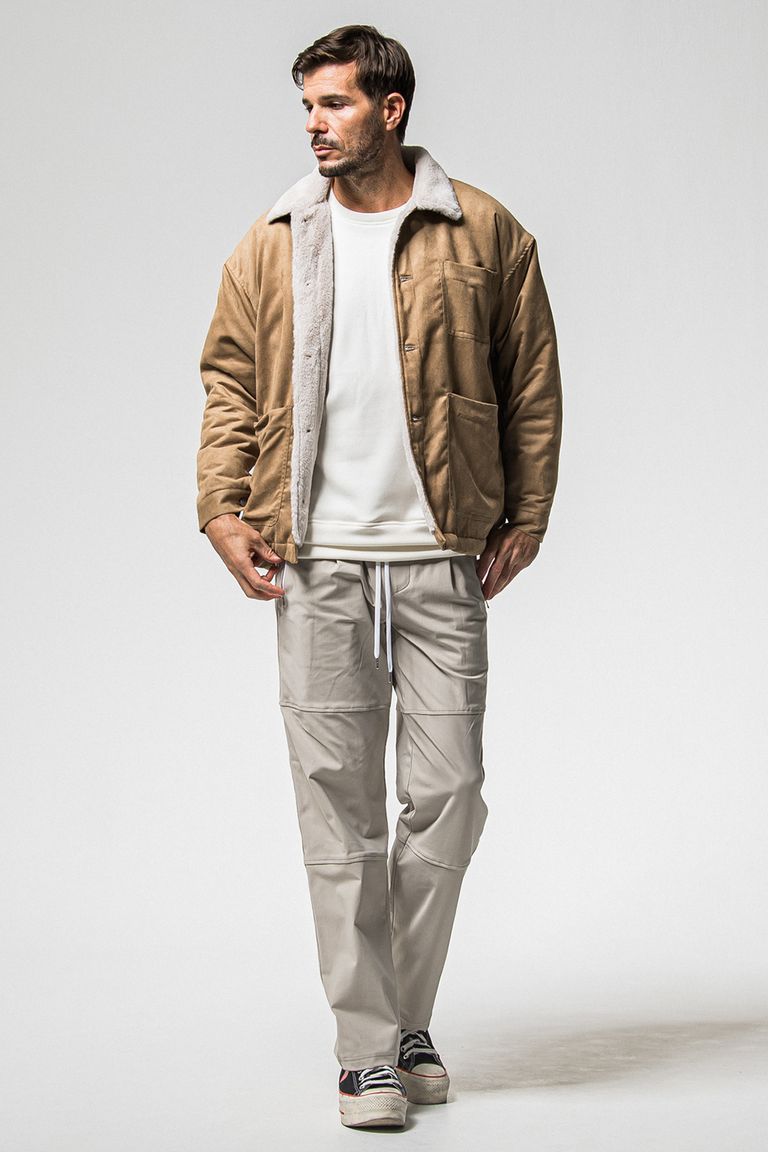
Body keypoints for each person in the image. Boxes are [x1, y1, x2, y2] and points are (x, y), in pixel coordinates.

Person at [195, 23, 562, 1130]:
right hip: (315, 562)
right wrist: (221, 505)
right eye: (308, 105)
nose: (314, 124)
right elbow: (228, 380)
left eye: (335, 104)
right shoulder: (272, 241)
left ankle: (400, 1015)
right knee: (338, 816)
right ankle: (372, 1052)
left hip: (443, 555)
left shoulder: (485, 231)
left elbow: (530, 382)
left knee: (449, 799)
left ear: (390, 109)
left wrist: (529, 512)